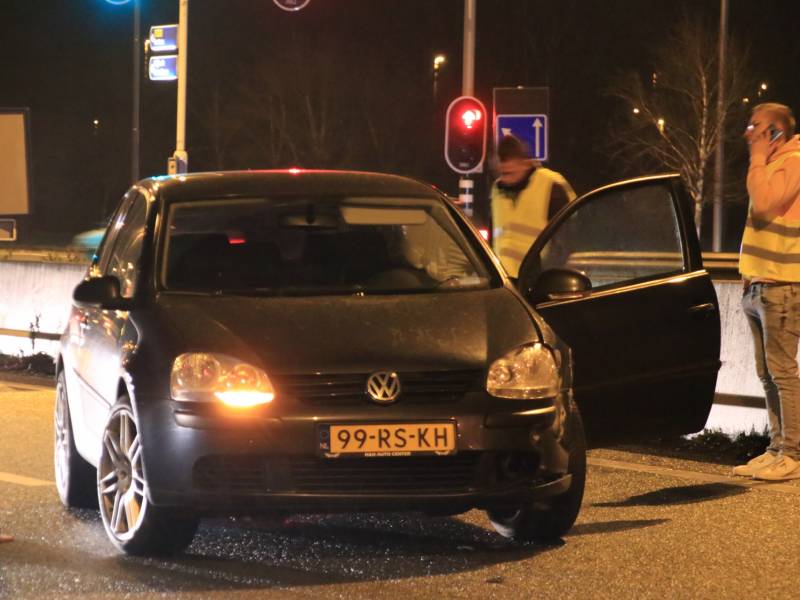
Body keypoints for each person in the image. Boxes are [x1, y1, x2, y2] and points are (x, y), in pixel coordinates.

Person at [735, 102, 800, 481]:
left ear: (775, 133)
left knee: (783, 373)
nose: (748, 134)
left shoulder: (793, 162)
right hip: (759, 284)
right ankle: (776, 449)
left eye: (755, 127)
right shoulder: (771, 165)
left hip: (783, 285)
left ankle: (793, 453)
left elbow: (764, 204)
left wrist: (757, 160)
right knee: (766, 373)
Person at [490, 134, 575, 279]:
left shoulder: (551, 185)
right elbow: (494, 238)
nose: (504, 178)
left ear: (526, 163)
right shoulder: (497, 190)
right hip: (505, 282)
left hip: (537, 282)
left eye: (510, 172)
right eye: (502, 172)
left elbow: (564, 241)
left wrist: (545, 277)